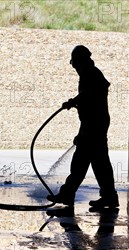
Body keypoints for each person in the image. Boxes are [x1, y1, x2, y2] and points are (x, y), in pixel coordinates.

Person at [46, 45, 119, 210]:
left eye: (76, 64)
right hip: (93, 124)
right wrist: (77, 105)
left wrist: (74, 101)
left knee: (83, 161)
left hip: (95, 124)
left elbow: (91, 94)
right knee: (98, 163)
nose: (75, 68)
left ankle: (68, 193)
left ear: (81, 61)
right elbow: (90, 102)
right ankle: (108, 197)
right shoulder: (89, 73)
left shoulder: (92, 74)